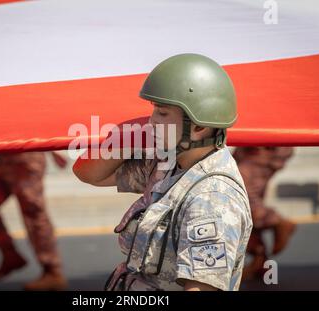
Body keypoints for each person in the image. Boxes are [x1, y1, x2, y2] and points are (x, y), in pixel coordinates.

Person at [73, 54, 253, 291]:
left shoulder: (211, 199)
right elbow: (89, 174)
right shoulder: (170, 164)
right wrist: (126, 138)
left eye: (163, 113)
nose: (151, 121)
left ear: (199, 126)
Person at [0, 151, 68, 291]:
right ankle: (10, 256)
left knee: (33, 212)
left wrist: (55, 150)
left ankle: (52, 271)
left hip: (27, 155)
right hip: (4, 154)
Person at [232, 147, 296, 279]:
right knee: (246, 206)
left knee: (244, 205)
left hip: (260, 153)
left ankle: (277, 221)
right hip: (252, 151)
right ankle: (260, 260)